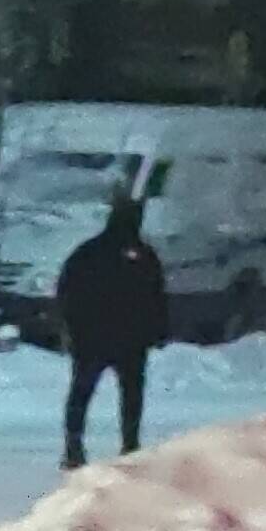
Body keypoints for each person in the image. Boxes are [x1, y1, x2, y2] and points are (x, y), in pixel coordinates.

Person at [56, 186, 170, 466]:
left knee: (81, 392)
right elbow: (157, 297)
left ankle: (74, 446)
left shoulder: (88, 252)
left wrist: (70, 327)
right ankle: (129, 445)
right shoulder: (144, 255)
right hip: (130, 339)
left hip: (92, 337)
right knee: (130, 394)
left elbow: (66, 291)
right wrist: (158, 331)